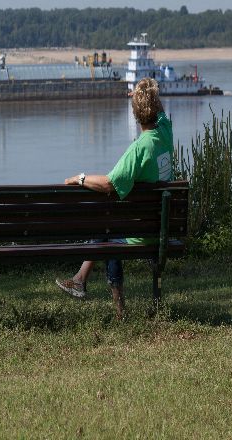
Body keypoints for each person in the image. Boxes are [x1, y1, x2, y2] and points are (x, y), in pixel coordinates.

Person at [55, 77, 174, 319]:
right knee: (108, 227)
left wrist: (79, 178)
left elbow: (109, 183)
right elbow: (159, 112)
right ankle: (79, 280)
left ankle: (118, 309)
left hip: (140, 234)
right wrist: (147, 93)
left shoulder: (139, 148)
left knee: (108, 228)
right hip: (161, 228)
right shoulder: (165, 132)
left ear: (135, 114)